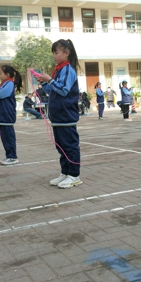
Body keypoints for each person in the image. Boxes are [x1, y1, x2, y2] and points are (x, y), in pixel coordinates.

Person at [35, 39, 82, 189]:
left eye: (56, 52)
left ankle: (74, 175)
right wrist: (44, 82)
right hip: (57, 117)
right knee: (61, 147)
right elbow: (52, 91)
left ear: (66, 53)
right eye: (53, 53)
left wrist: (49, 79)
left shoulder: (68, 70)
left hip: (66, 115)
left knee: (70, 146)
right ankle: (65, 172)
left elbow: (63, 90)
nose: (54, 56)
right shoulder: (59, 70)